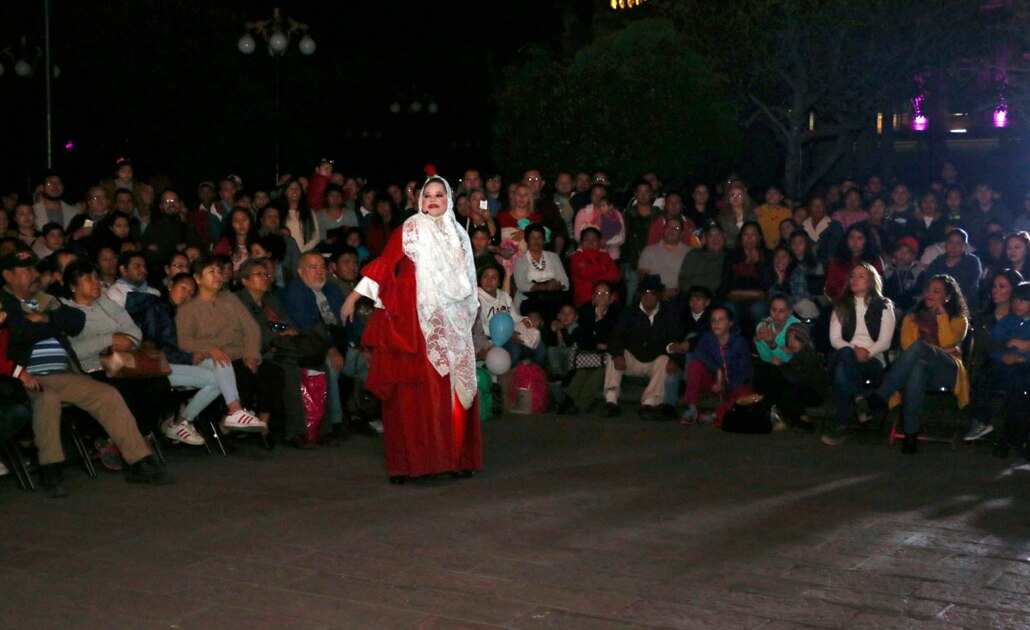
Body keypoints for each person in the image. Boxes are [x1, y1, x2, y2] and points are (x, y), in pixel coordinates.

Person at [341, 173, 482, 484]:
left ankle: (454, 458)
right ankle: (407, 463)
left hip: (451, 325)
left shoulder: (460, 235)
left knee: (450, 397)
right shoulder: (409, 229)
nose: (432, 200)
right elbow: (384, 265)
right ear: (420, 200)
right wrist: (353, 296)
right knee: (411, 397)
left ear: (448, 200)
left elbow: (468, 286)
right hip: (414, 325)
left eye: (439, 195)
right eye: (427, 195)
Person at [0, 249, 171, 493]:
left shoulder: (45, 299)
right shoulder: (3, 303)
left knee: (107, 394)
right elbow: (17, 334)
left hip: (63, 373)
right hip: (24, 377)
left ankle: (140, 461)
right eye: (26, 269)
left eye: (35, 268)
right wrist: (45, 322)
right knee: (46, 399)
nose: (34, 274)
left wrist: (44, 319)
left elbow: (75, 320)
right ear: (8, 275)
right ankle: (52, 472)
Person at [132, 271, 265, 446]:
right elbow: (153, 346)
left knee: (218, 361)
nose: (186, 294)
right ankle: (185, 421)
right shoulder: (156, 308)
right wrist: (189, 357)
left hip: (176, 363)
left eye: (190, 291)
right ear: (170, 285)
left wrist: (200, 352)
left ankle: (231, 412)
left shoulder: (178, 311)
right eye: (183, 288)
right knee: (217, 379)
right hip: (155, 366)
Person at [855, 275, 970, 454]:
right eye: (928, 290)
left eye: (936, 291)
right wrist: (944, 350)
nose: (930, 294)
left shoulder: (958, 319)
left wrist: (942, 317)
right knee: (917, 368)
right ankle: (910, 435)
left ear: (947, 297)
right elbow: (908, 349)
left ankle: (879, 398)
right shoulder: (912, 317)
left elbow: (948, 341)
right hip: (920, 367)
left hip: (947, 371)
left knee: (919, 349)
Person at [177, 254, 284, 437]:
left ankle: (260, 424)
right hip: (206, 358)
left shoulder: (230, 299)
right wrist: (211, 348)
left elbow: (251, 327)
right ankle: (233, 413)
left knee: (272, 371)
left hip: (238, 353)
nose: (218, 275)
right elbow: (185, 341)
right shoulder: (188, 309)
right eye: (211, 272)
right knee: (229, 366)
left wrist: (252, 354)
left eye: (219, 271)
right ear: (197, 278)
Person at [822, 263, 896, 445]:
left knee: (842, 373)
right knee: (846, 353)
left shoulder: (884, 305)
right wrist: (854, 351)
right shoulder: (842, 305)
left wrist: (867, 352)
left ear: (871, 280)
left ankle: (840, 424)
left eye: (861, 276)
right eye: (853, 276)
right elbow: (835, 339)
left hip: (872, 360)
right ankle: (860, 400)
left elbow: (885, 342)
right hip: (846, 354)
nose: (854, 279)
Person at [601, 275, 683, 419]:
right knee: (611, 355)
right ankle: (611, 401)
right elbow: (616, 336)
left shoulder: (669, 313)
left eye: (652, 292)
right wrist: (618, 354)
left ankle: (649, 403)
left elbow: (676, 340)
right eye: (645, 292)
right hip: (631, 360)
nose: (648, 296)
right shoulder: (629, 311)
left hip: (654, 362)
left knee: (665, 360)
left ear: (659, 294)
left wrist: (675, 359)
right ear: (640, 294)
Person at [681, 306, 753, 426]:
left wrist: (725, 385)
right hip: (713, 383)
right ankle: (692, 409)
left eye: (721, 320)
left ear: (730, 324)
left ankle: (714, 416)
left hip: (732, 385)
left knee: (747, 394)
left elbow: (745, 373)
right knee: (695, 366)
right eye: (713, 320)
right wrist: (717, 370)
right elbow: (697, 355)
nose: (716, 323)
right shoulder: (707, 338)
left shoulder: (740, 342)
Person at [983, 282, 1030, 458]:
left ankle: (1009, 437)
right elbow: (992, 346)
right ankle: (1015, 437)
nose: (1018, 304)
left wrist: (1023, 355)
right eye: (1016, 300)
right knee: (1016, 386)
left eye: (1023, 300)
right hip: (1007, 369)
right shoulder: (1007, 321)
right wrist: (1005, 355)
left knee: (1019, 387)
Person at [752, 322, 828, 430]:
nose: (791, 342)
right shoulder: (799, 354)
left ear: (804, 339)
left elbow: (797, 379)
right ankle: (799, 417)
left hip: (815, 393)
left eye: (796, 339)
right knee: (770, 375)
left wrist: (780, 365)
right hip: (806, 389)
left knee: (781, 386)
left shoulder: (808, 354)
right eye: (789, 339)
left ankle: (799, 418)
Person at [513, 223, 569, 321]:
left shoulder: (553, 257)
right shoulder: (521, 260)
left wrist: (557, 285)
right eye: (532, 238)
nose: (536, 241)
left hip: (553, 297)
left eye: (539, 238)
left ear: (544, 240)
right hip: (530, 299)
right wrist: (542, 287)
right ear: (527, 240)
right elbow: (521, 284)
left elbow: (565, 282)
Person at [926, 229, 982, 311]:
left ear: (965, 246)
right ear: (946, 245)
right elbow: (927, 284)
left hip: (965, 307)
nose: (953, 247)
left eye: (958, 243)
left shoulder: (972, 262)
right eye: (950, 242)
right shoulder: (937, 262)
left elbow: (967, 288)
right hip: (936, 305)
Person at [569, 227, 621, 307]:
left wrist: (595, 275)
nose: (590, 242)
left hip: (608, 298)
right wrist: (603, 269)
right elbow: (586, 273)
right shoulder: (575, 257)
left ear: (599, 242)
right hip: (586, 298)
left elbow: (615, 275)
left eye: (594, 240)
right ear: (581, 243)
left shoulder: (605, 256)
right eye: (586, 239)